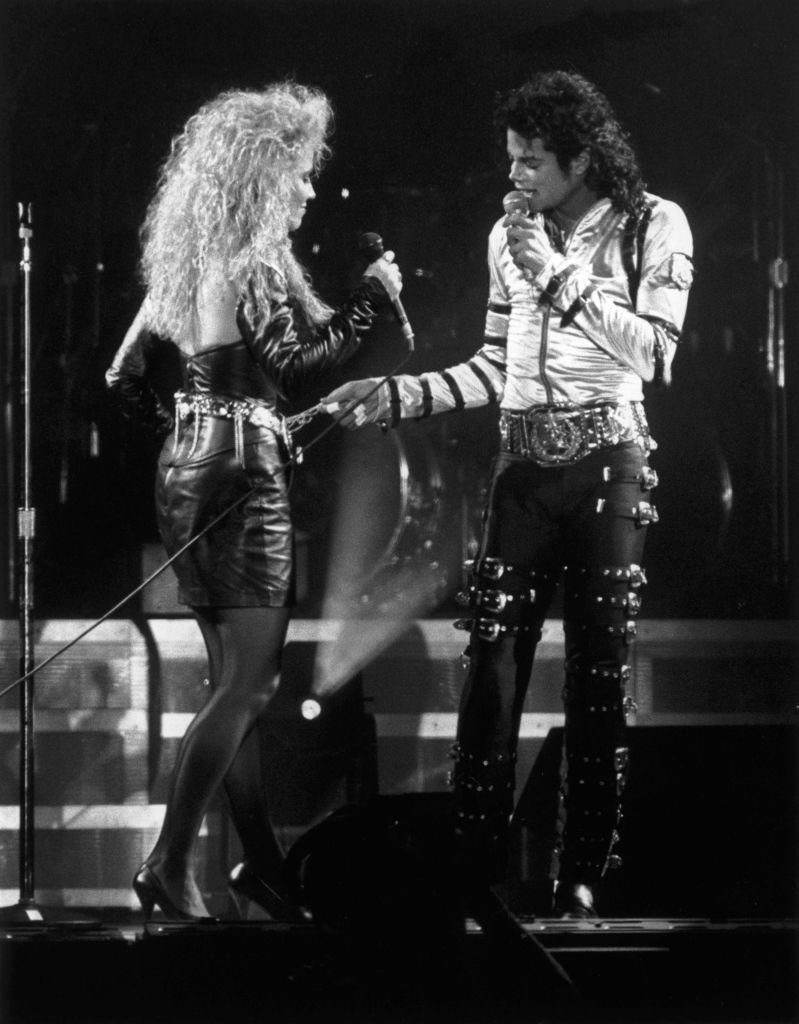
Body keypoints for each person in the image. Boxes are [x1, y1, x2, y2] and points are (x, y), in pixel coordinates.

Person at [322, 70, 693, 918]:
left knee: (596, 680)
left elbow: (654, 356)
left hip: (608, 464)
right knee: (488, 667)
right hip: (520, 468)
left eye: (531, 162)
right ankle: (472, 866)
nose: (515, 177)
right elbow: (492, 368)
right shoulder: (506, 235)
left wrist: (560, 277)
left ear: (580, 156)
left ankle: (582, 872)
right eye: (511, 161)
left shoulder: (651, 224)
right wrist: (395, 394)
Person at [106, 83, 402, 921]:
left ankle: (261, 867)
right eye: (301, 174)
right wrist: (373, 297)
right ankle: (167, 863)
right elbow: (303, 362)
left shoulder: (188, 256)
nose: (310, 190)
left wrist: (197, 422)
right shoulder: (255, 258)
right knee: (250, 685)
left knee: (233, 680)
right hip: (240, 483)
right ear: (264, 173)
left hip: (185, 475)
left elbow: (122, 377)